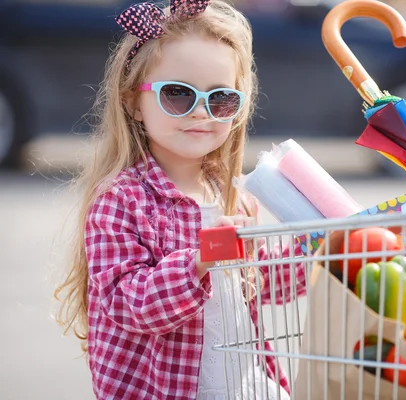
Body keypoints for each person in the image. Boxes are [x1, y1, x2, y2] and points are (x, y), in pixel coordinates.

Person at [53, 0, 306, 398]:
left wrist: (319, 254)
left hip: (242, 383)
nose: (201, 112)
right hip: (166, 389)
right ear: (133, 101)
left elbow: (256, 281)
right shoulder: (121, 201)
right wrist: (197, 262)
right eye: (177, 94)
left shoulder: (233, 195)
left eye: (220, 98)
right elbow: (126, 303)